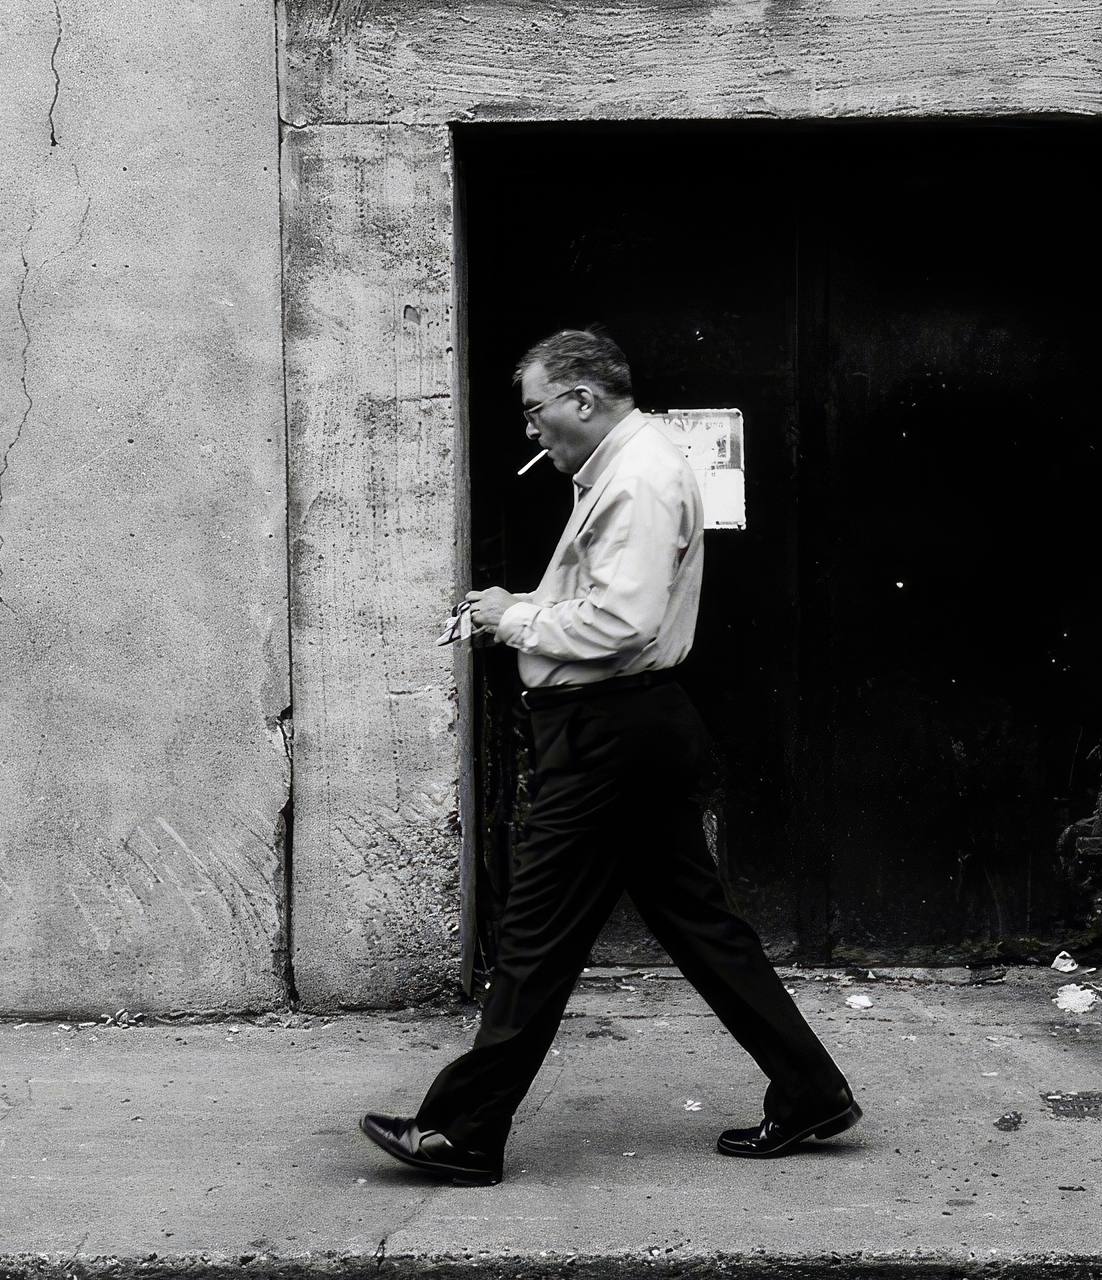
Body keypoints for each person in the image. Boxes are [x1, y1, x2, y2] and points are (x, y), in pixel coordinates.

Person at [360, 328, 858, 1186]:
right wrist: (519, 603)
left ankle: (464, 1131)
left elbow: (621, 623)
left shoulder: (637, 477)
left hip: (607, 735)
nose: (530, 428)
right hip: (625, 728)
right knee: (698, 924)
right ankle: (812, 1090)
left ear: (582, 399)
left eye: (536, 410)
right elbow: (607, 601)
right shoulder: (629, 467)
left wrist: (513, 619)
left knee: (536, 934)